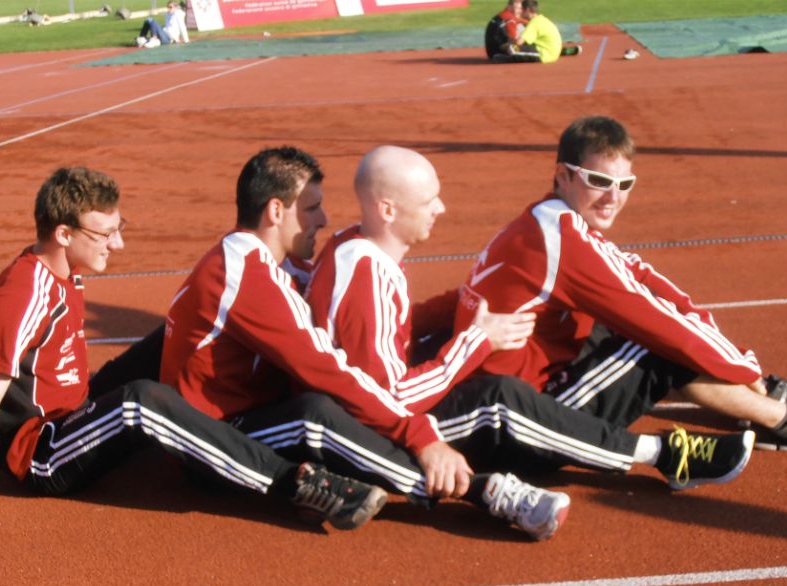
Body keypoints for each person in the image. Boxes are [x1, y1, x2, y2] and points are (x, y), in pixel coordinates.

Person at [0, 168, 388, 555]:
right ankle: (294, 481)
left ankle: (208, 422)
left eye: (118, 229)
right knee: (139, 401)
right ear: (63, 234)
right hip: (40, 451)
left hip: (74, 405)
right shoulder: (18, 298)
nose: (117, 244)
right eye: (105, 234)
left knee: (173, 337)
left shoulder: (65, 267)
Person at [159, 147, 571, 540]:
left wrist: (460, 305)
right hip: (220, 439)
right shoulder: (248, 275)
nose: (324, 219)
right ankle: (481, 490)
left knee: (336, 406)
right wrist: (422, 437)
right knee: (317, 414)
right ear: (276, 211)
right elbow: (326, 369)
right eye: (312, 208)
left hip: (259, 409)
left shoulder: (279, 263)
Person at [306, 146, 756, 499]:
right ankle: (662, 454)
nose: (440, 207)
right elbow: (388, 398)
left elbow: (394, 330)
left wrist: (468, 302)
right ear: (387, 210)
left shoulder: (352, 244)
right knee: (500, 400)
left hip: (376, 401)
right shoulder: (367, 275)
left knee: (596, 349)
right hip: (375, 428)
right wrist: (476, 341)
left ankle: (760, 403)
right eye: (428, 201)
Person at [455, 116, 787, 453]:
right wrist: (748, 371)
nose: (613, 197)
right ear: (563, 176)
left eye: (624, 185)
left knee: (651, 328)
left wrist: (740, 365)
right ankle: (779, 419)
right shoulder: (562, 240)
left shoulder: (549, 220)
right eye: (599, 181)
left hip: (508, 389)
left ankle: (761, 399)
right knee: (659, 346)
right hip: (525, 419)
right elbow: (662, 325)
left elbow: (638, 275)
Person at [491, 0, 581, 63]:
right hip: (553, 50)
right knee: (521, 47)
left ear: (527, 10)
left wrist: (508, 43)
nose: (520, 12)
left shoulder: (534, 23)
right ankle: (564, 51)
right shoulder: (542, 19)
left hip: (545, 55)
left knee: (513, 49)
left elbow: (519, 42)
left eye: (522, 10)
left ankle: (507, 59)